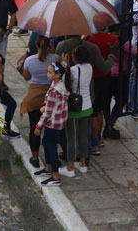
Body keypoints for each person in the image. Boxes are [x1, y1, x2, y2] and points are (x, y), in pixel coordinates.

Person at [17, 35, 60, 168]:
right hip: (52, 96)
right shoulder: (55, 58)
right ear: (49, 46)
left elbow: (26, 77)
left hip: (34, 98)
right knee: (51, 130)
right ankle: (52, 158)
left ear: (36, 46)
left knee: (34, 128)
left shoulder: (29, 60)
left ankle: (35, 158)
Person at [33, 61, 71, 186]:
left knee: (51, 146)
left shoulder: (55, 90)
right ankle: (48, 168)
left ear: (58, 75)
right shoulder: (57, 85)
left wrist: (39, 126)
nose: (47, 74)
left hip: (52, 123)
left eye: (50, 72)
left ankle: (55, 176)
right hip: (57, 121)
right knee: (46, 142)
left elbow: (48, 111)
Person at [85, 26, 120, 151]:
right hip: (106, 77)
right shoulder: (113, 39)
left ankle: (94, 140)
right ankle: (98, 138)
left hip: (93, 77)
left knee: (93, 111)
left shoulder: (89, 39)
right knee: (99, 110)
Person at [62, 47, 93, 176]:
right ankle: (82, 164)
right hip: (87, 106)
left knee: (71, 138)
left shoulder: (73, 70)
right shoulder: (90, 67)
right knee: (83, 136)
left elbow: (64, 82)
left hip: (75, 108)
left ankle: (70, 167)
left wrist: (65, 65)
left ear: (76, 58)